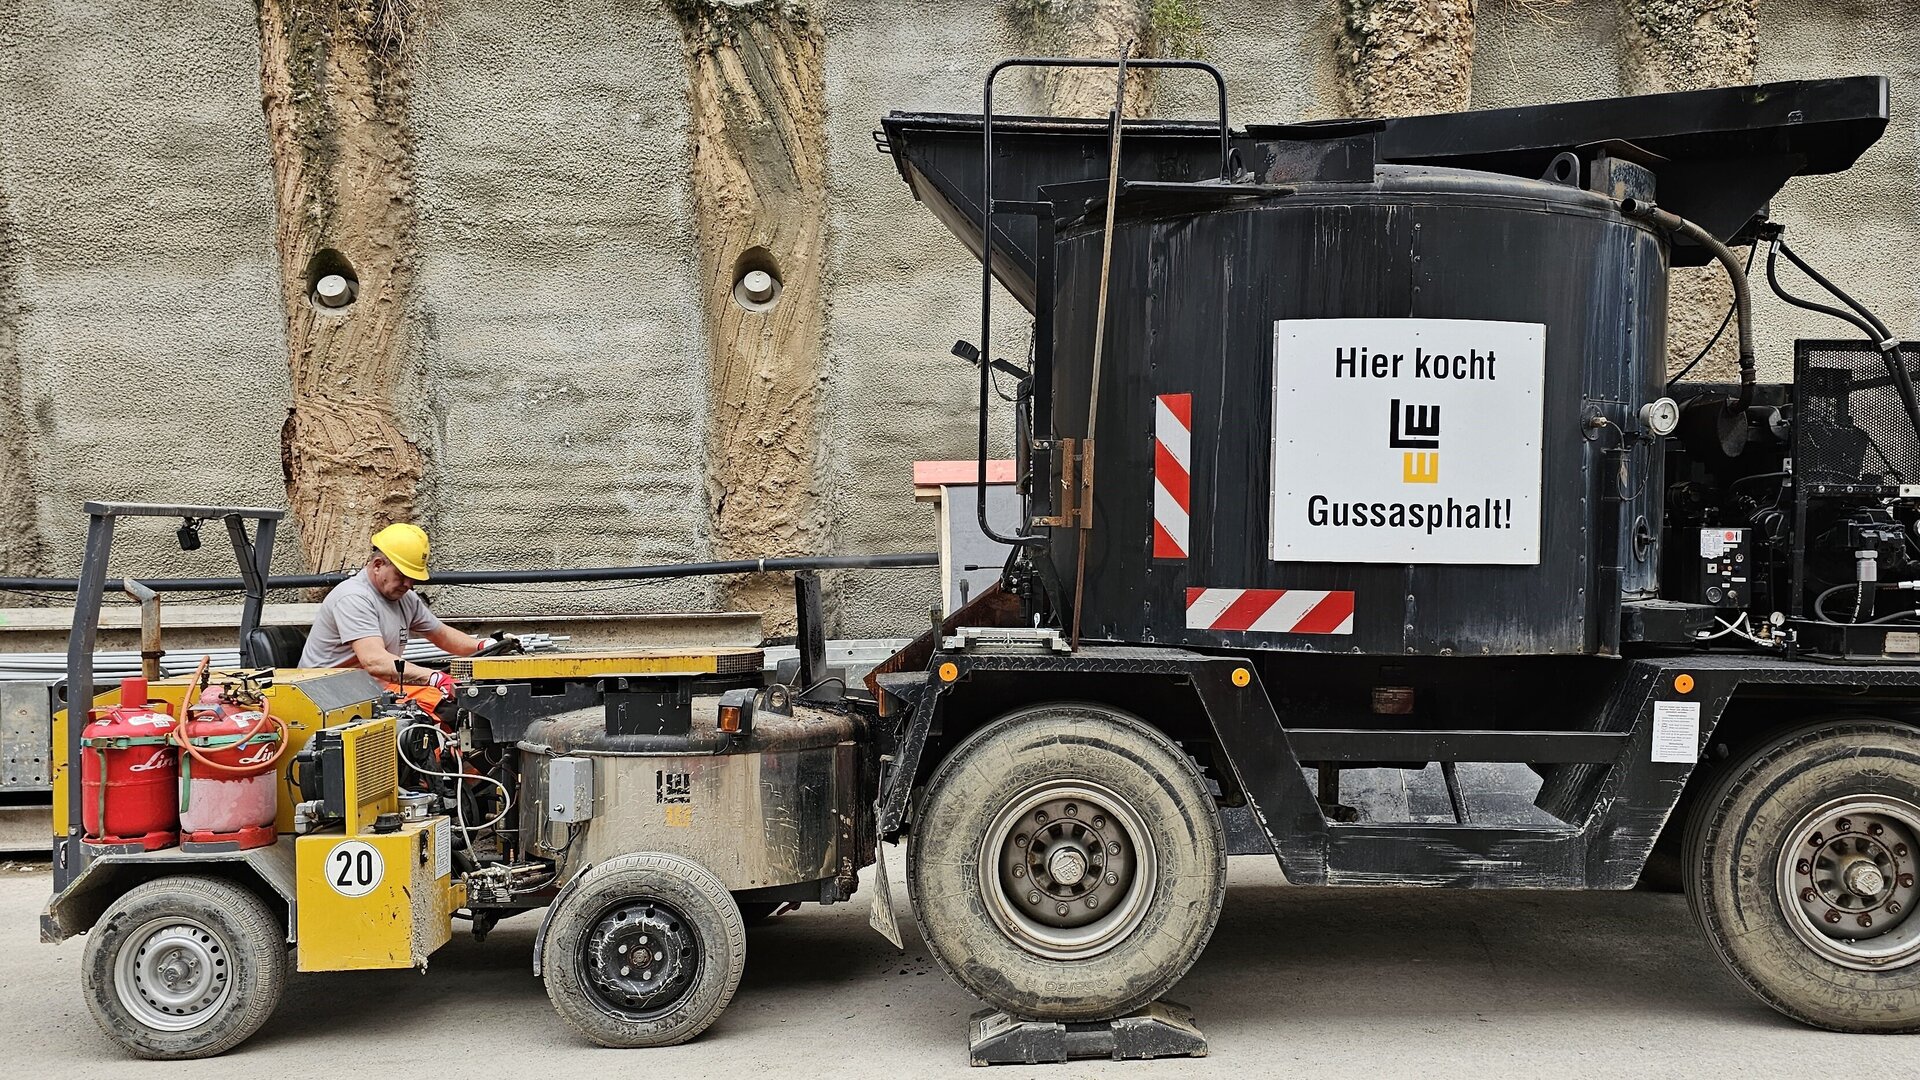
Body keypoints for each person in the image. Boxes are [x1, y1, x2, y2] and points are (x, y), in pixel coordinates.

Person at [298, 523, 489, 708]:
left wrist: (484, 646)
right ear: (378, 565)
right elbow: (374, 660)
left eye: (413, 578)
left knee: (453, 706)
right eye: (402, 575)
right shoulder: (353, 598)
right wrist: (434, 678)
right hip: (326, 698)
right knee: (443, 708)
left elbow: (442, 635)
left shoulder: (405, 598)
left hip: (367, 692)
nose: (408, 584)